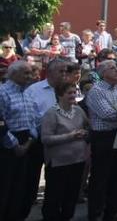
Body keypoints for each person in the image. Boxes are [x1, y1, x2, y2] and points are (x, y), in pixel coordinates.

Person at [24, 58, 72, 215]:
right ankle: (27, 207)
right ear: (50, 72)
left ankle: (52, 210)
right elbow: (30, 115)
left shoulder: (67, 89)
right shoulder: (34, 90)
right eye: (61, 71)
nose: (65, 74)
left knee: (57, 179)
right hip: (40, 140)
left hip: (63, 141)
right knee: (32, 176)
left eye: (66, 71)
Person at [86, 60, 117, 221]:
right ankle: (96, 213)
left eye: (116, 68)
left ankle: (112, 212)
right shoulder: (96, 91)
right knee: (100, 178)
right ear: (103, 73)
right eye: (112, 68)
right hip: (103, 138)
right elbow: (108, 114)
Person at [40, 81, 89, 221]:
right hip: (58, 162)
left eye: (75, 92)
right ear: (60, 95)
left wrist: (84, 133)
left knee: (71, 194)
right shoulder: (52, 113)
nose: (73, 95)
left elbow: (87, 127)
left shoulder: (79, 111)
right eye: (69, 93)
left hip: (78, 159)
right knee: (54, 196)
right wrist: (70, 136)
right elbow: (46, 138)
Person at [0, 61, 39, 221]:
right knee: (4, 188)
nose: (30, 77)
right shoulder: (2, 93)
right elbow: (0, 122)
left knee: (20, 188)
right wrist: (15, 145)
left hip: (26, 143)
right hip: (6, 144)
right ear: (13, 74)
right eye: (26, 73)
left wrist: (29, 141)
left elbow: (33, 121)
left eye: (30, 73)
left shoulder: (27, 94)